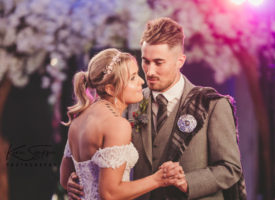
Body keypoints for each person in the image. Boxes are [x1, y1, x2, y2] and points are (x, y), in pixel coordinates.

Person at [67, 18, 246, 200]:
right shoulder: (126, 100)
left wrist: (188, 182)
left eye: (159, 63)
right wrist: (73, 179)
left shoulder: (212, 105)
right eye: (146, 61)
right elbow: (92, 154)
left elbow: (230, 168)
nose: (150, 72)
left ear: (180, 61)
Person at [60, 48, 186, 200]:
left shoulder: (80, 117)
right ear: (110, 89)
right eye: (133, 78)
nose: (141, 81)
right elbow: (110, 193)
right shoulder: (116, 124)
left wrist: (72, 181)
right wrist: (158, 179)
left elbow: (65, 179)